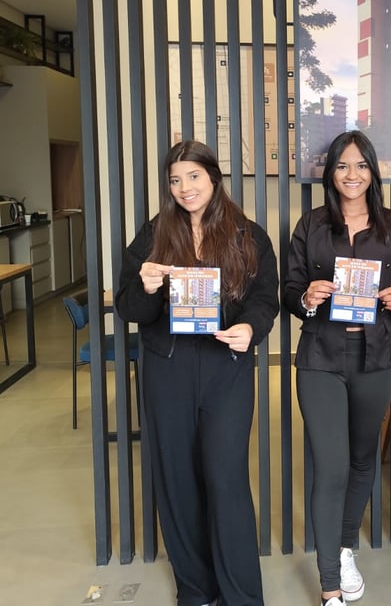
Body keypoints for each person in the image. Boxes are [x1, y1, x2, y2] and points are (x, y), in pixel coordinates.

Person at [115, 140, 279, 606]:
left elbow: (265, 297)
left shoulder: (248, 235)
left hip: (225, 366)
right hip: (167, 368)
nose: (185, 188)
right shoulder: (153, 235)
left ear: (213, 177)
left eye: (193, 176)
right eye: (175, 180)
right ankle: (196, 588)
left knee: (225, 478)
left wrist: (250, 327)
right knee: (177, 479)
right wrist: (146, 287)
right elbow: (130, 309)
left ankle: (241, 595)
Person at [283, 130, 391, 606]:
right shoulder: (312, 225)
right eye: (342, 166)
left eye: (361, 165)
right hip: (321, 356)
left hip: (376, 357)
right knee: (331, 466)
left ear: (373, 172)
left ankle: (343, 548)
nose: (352, 175)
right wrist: (307, 297)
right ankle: (329, 587)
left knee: (363, 460)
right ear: (331, 173)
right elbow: (290, 290)